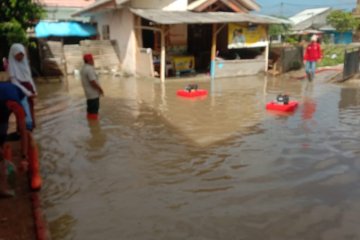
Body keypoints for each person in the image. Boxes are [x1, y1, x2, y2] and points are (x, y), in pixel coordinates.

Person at [0, 81, 41, 191]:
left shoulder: (16, 102)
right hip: (5, 102)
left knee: (24, 130)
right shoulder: (13, 103)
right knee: (4, 134)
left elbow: (23, 130)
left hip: (10, 101)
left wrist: (24, 157)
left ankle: (33, 172)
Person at [8, 43, 37, 130]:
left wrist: (34, 90)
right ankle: (22, 131)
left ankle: (30, 129)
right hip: (19, 91)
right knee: (22, 112)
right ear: (13, 54)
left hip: (29, 89)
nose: (21, 57)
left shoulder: (25, 63)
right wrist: (27, 93)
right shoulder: (11, 66)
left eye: (22, 55)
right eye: (18, 55)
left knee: (30, 110)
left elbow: (29, 78)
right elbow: (14, 82)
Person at [80, 53, 104, 120]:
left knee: (90, 110)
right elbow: (93, 82)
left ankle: (90, 124)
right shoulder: (89, 69)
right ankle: (94, 126)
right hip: (93, 94)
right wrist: (100, 89)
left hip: (88, 94)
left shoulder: (83, 68)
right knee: (94, 111)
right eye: (92, 59)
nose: (93, 61)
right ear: (90, 60)